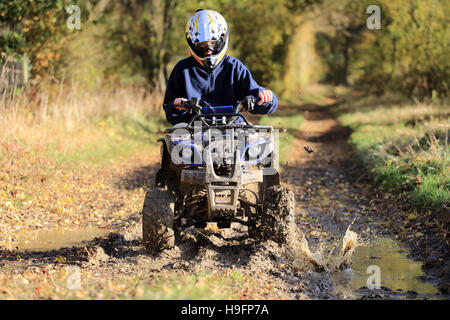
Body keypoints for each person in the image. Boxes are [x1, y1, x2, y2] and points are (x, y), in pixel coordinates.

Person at [163, 9, 278, 125]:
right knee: (177, 136)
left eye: (212, 43)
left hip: (232, 126)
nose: (208, 50)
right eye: (202, 44)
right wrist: (177, 106)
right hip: (192, 129)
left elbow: (256, 93)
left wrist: (266, 98)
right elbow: (169, 110)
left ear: (222, 38)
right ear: (192, 43)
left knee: (255, 141)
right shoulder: (182, 70)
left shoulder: (234, 67)